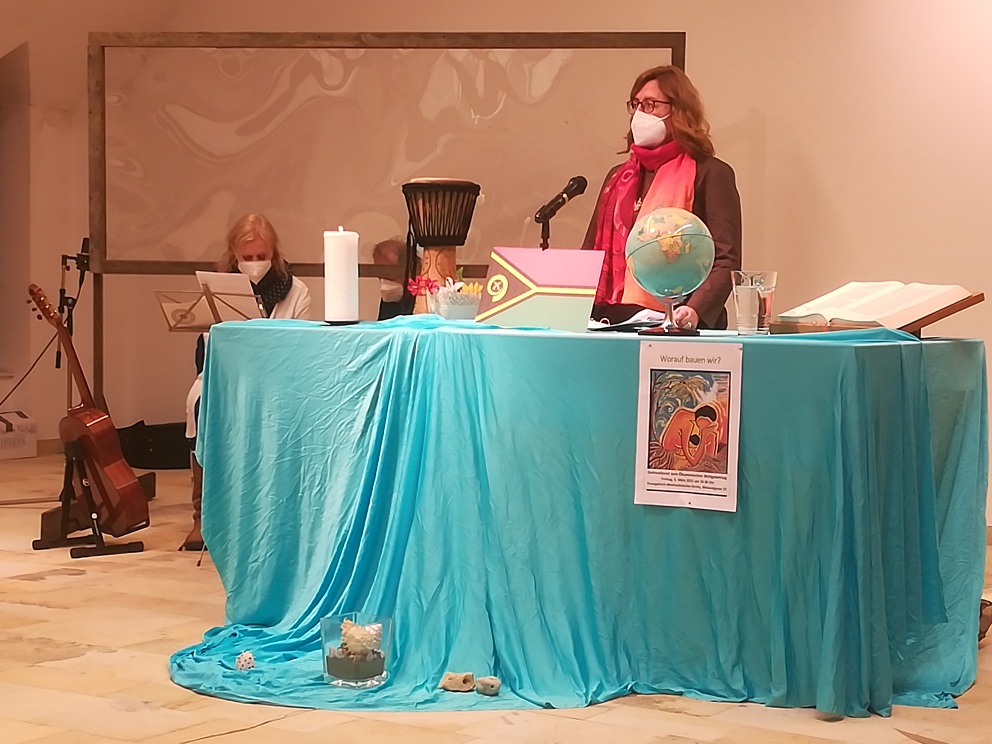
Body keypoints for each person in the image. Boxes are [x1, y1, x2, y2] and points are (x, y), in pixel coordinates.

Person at [180, 213, 311, 551]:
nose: (255, 263)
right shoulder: (216, 289)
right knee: (200, 403)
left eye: (261, 256)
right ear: (233, 254)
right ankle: (202, 516)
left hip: (276, 380)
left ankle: (274, 511)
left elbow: (300, 346)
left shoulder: (296, 292)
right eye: (247, 257)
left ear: (274, 252)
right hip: (226, 376)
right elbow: (209, 345)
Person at [583, 65, 742, 330]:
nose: (639, 114)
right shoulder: (617, 177)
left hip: (680, 322)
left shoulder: (710, 173)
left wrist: (695, 310)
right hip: (609, 321)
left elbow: (726, 259)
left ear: (678, 110)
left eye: (650, 105)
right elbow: (590, 253)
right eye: (635, 105)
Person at [374, 237, 415, 320]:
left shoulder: (422, 299)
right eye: (379, 274)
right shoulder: (389, 299)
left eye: (388, 274)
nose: (384, 281)